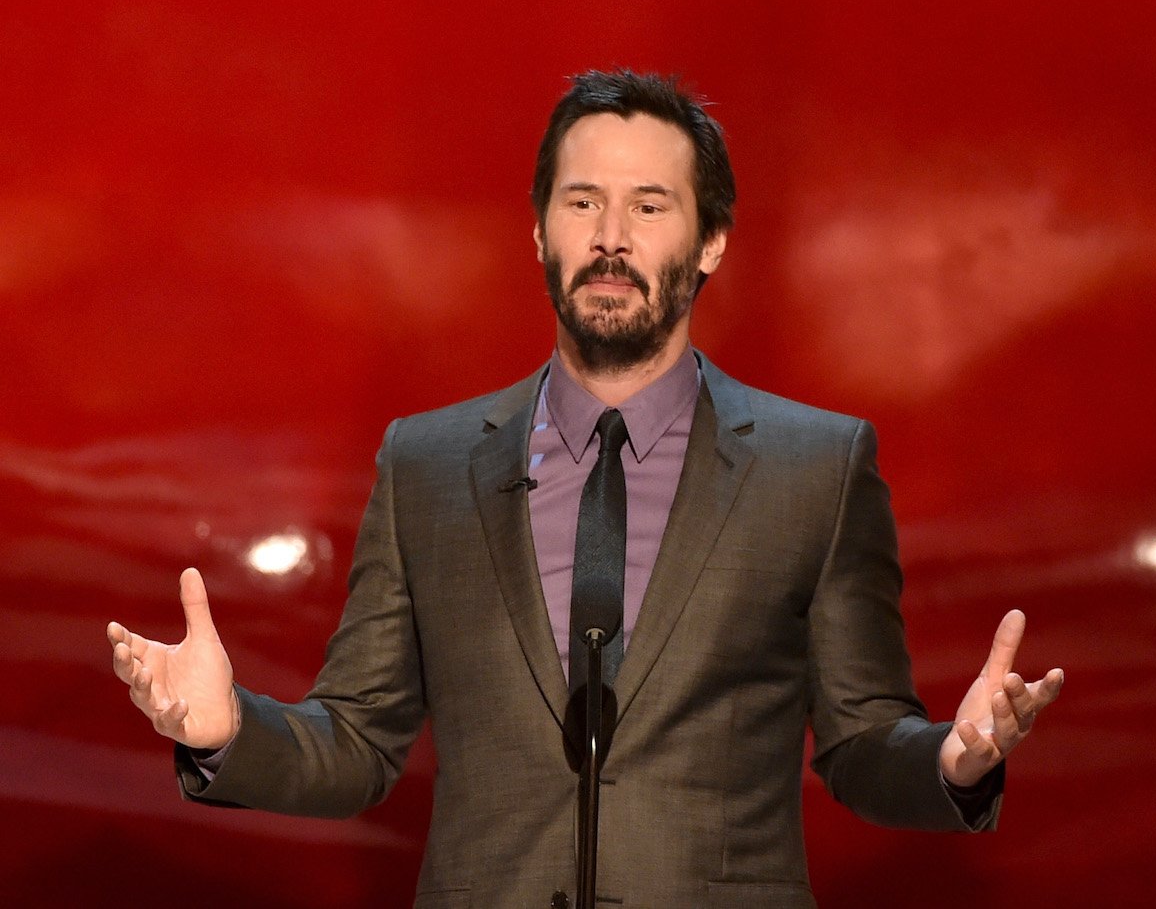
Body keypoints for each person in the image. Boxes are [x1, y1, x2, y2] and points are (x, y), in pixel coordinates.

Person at [107, 70, 1063, 908]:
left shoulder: (818, 466)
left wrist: (953, 760)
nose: (611, 238)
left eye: (650, 206)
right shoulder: (426, 465)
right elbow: (359, 741)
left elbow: (860, 747)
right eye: (581, 203)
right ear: (537, 231)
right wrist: (229, 729)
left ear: (713, 240)